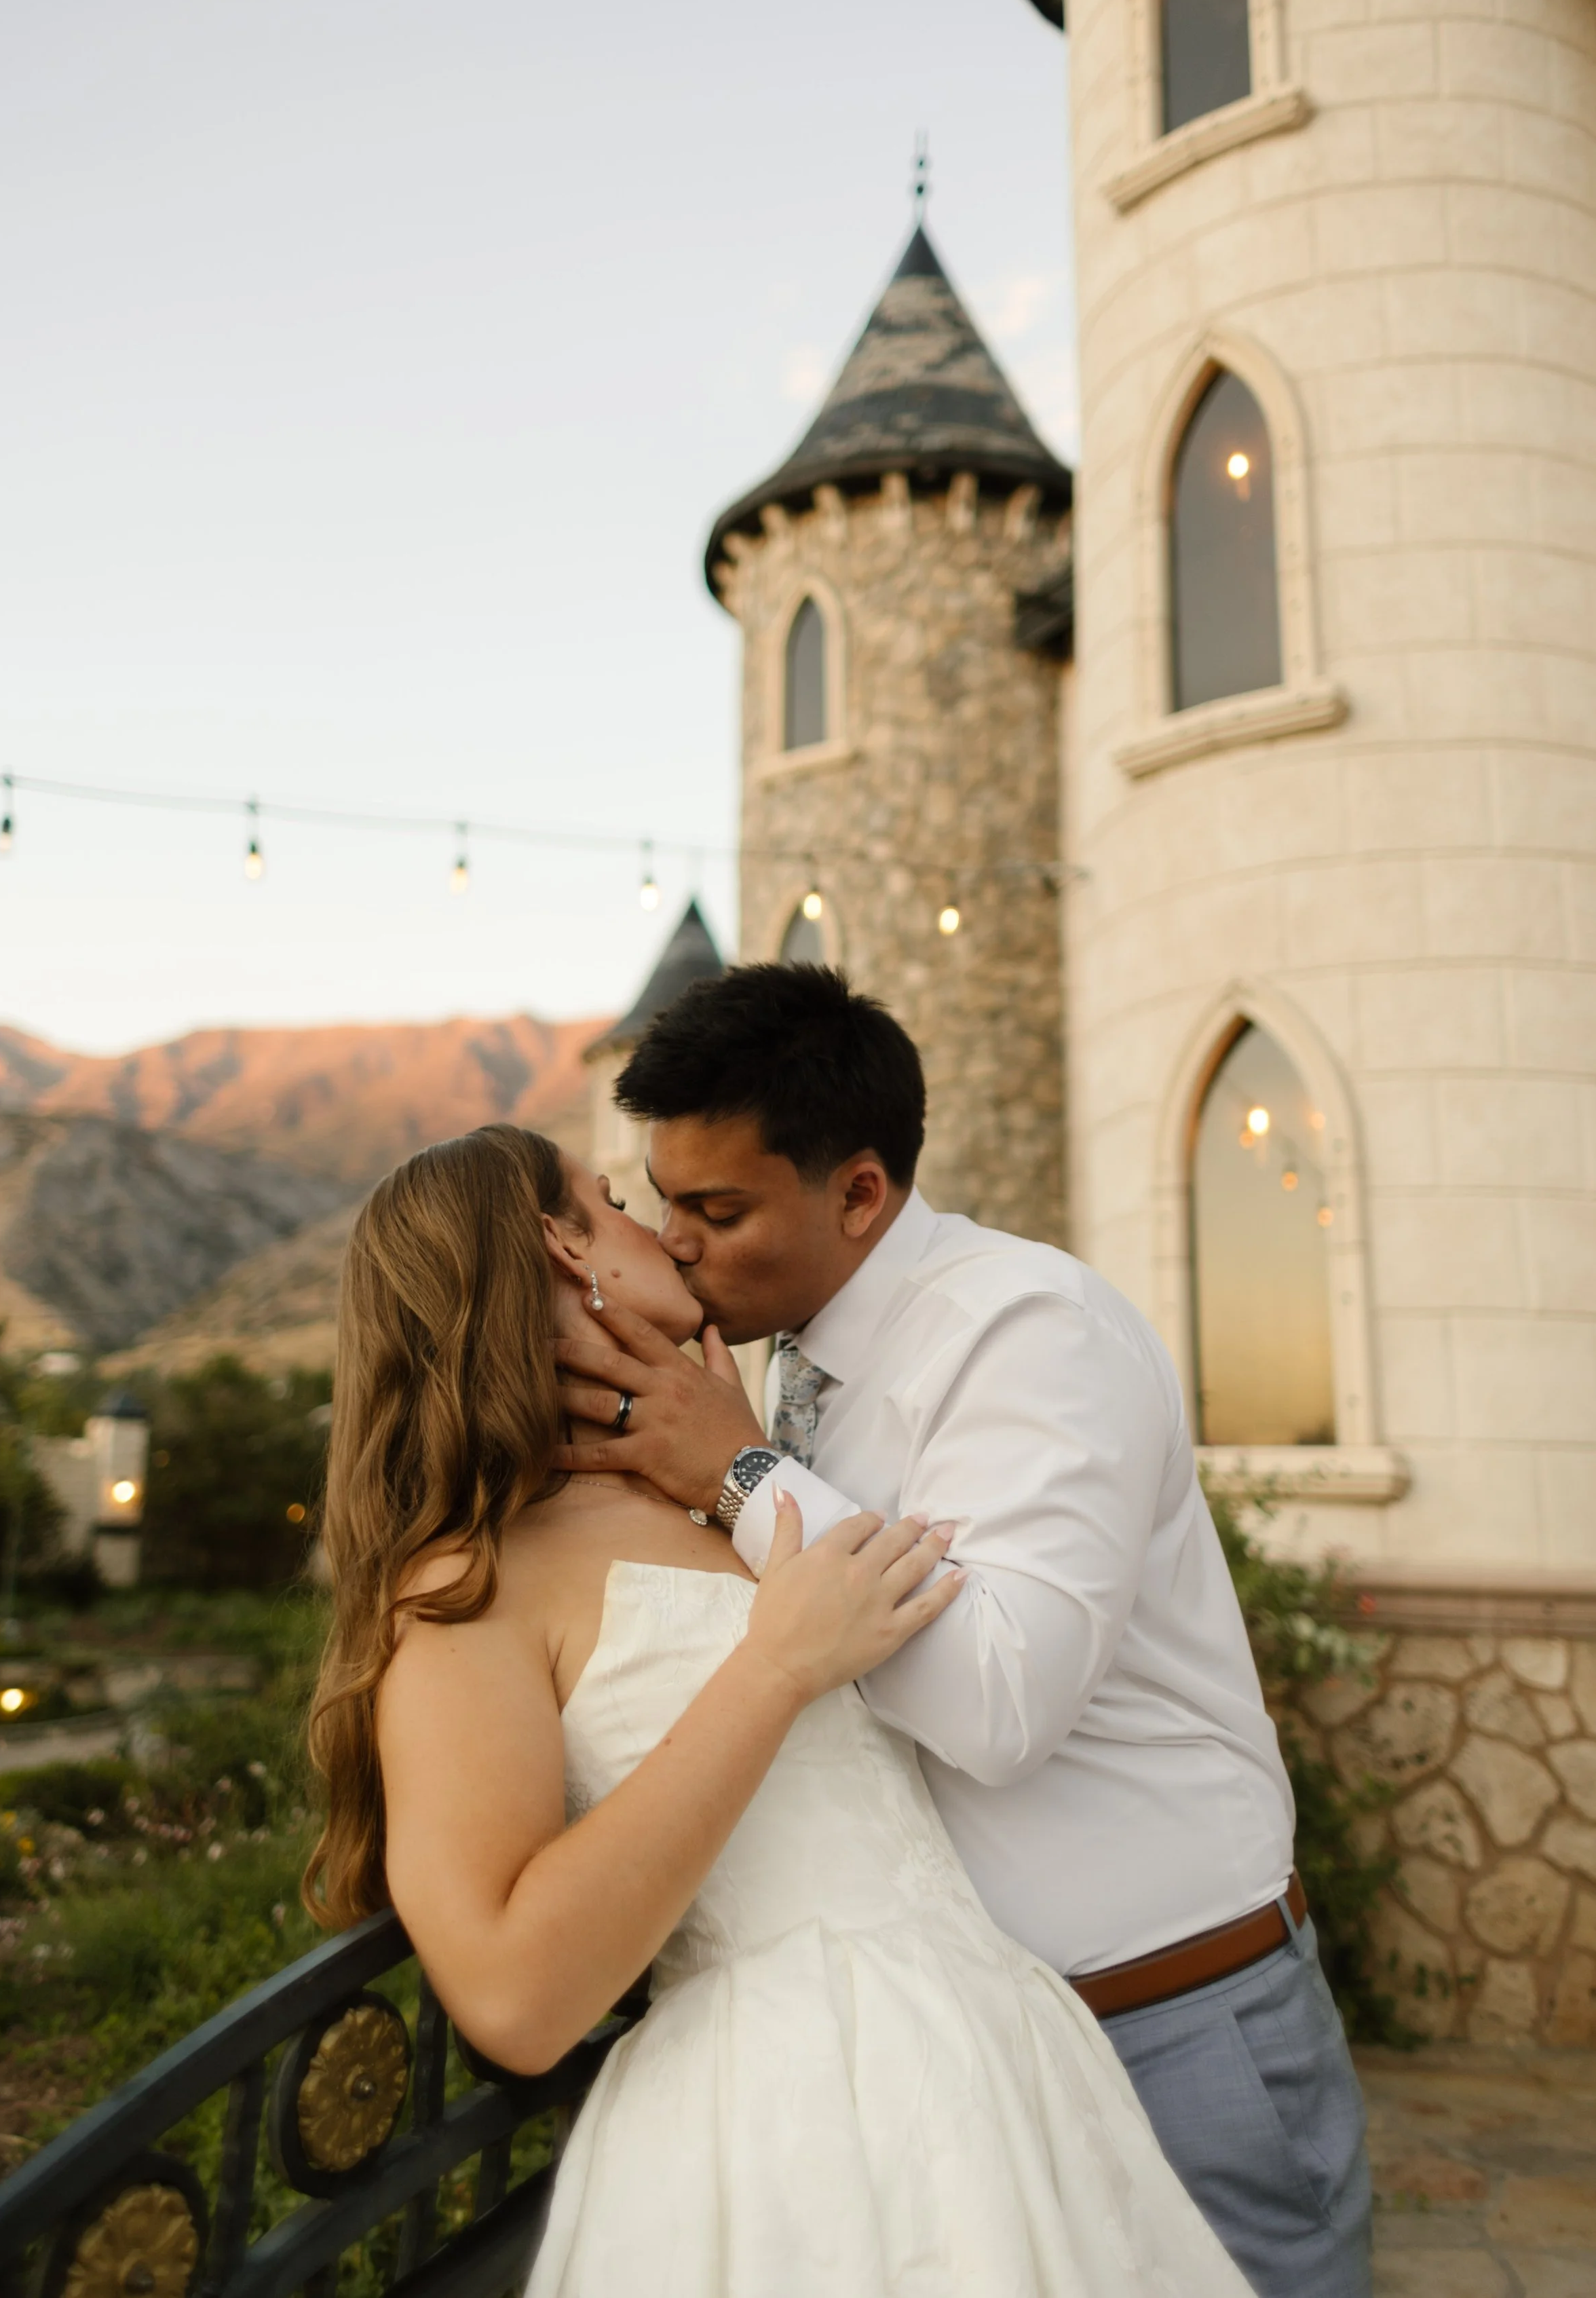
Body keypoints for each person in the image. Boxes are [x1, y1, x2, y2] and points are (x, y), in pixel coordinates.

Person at [307, 1125, 1253, 2297]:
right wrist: (772, 1671)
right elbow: (512, 1996)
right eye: (609, 1203)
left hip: (996, 2060)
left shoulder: (714, 1483)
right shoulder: (468, 1586)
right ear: (561, 1252)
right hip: (791, 2117)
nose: (659, 1231)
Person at [552, 962, 1372, 2298]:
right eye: (661, 1206)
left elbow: (1000, 1705)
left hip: (1169, 2025)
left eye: (717, 1210)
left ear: (859, 1192)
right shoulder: (779, 1363)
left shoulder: (1031, 1333)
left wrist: (742, 1479)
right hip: (980, 2064)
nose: (679, 1245)